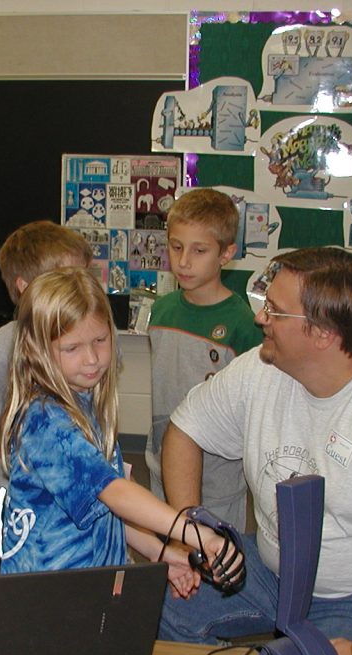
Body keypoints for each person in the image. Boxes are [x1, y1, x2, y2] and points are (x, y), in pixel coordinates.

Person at [157, 247, 352, 655]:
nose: (259, 318)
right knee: (156, 604)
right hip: (273, 570)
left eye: (275, 311)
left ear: (323, 333)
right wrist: (187, 536)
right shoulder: (261, 370)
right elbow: (184, 431)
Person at [0, 267, 243, 595]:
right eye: (72, 348)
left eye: (100, 340)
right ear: (36, 350)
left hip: (92, 578)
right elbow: (115, 492)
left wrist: (161, 554)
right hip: (50, 595)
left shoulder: (84, 400)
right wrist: (195, 535)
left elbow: (108, 507)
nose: (93, 359)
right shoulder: (45, 421)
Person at [146, 188, 261, 532]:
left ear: (226, 253)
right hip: (161, 466)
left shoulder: (243, 323)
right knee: (168, 562)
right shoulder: (161, 310)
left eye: (199, 251)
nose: (183, 261)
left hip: (218, 480)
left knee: (216, 565)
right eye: (176, 246)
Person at [0, 221, 93, 492]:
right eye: (66, 280)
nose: (81, 290)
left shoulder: (93, 337)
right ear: (25, 287)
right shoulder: (1, 346)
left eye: (85, 278)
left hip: (85, 484)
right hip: (24, 493)